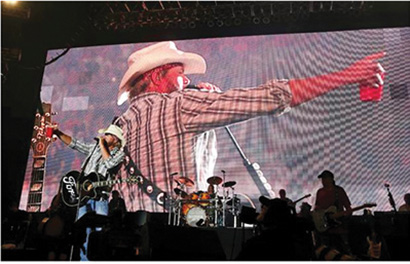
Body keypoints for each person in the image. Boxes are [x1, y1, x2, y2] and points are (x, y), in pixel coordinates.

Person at [115, 41, 385, 212]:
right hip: (181, 239)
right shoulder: (180, 105)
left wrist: (206, 110)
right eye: (179, 73)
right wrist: (350, 74)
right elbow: (269, 97)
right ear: (155, 76)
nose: (186, 80)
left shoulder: (118, 127)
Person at [53, 124, 126, 261]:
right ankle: (83, 260)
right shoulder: (95, 149)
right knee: (81, 231)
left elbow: (109, 164)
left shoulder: (119, 154)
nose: (105, 136)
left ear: (116, 139)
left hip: (100, 198)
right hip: (84, 196)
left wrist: (103, 145)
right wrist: (58, 133)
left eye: (108, 135)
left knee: (99, 230)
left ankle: (97, 259)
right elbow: (76, 144)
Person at [313, 170, 353, 255]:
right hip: (324, 229)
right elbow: (317, 207)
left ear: (331, 179)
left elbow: (348, 208)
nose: (323, 181)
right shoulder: (320, 192)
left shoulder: (339, 191)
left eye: (325, 178)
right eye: (322, 179)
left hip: (339, 229)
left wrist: (346, 217)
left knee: (343, 253)